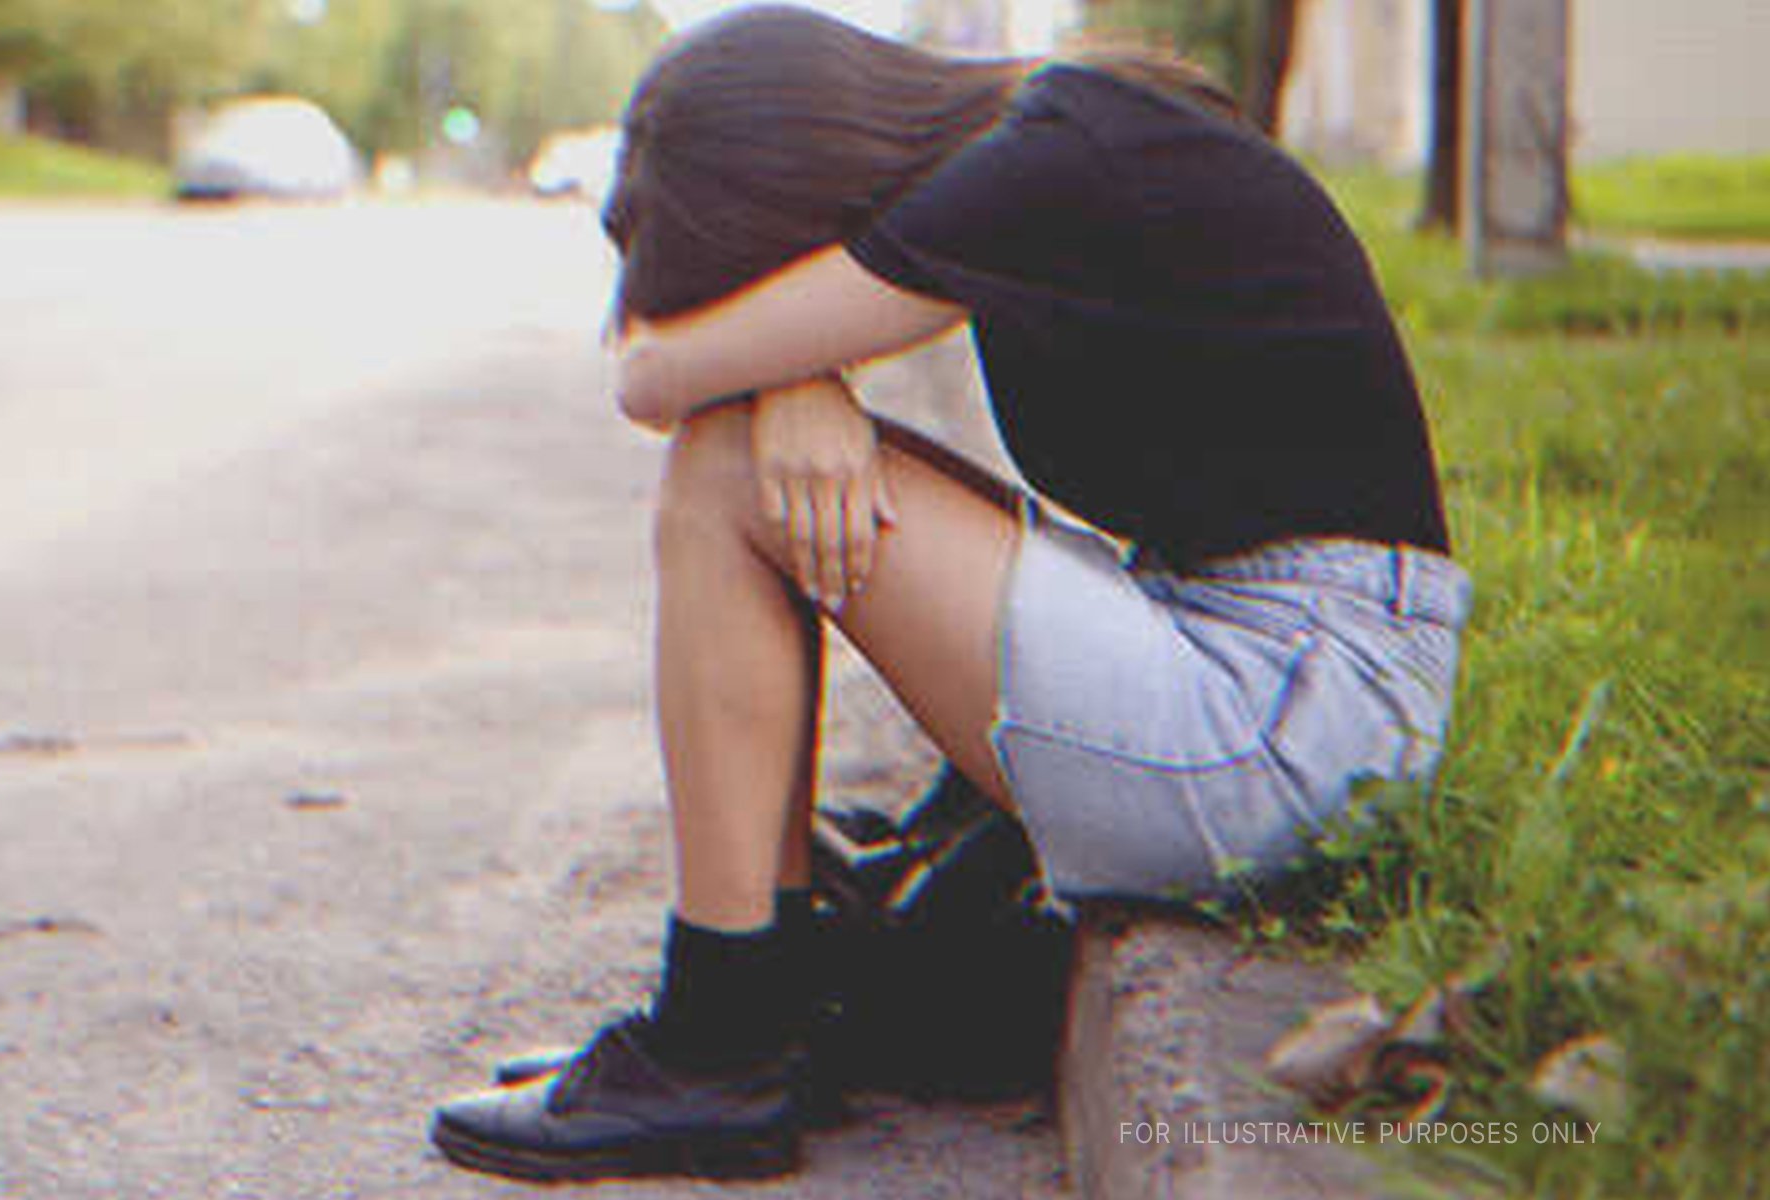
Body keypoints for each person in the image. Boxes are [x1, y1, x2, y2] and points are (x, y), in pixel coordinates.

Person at [429, 4, 1471, 1183]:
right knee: (747, 441)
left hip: (1286, 720)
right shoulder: (1055, 138)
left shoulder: (1048, 159)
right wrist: (801, 371)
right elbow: (738, 340)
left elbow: (655, 373)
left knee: (723, 464)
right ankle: (756, 1001)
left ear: (801, 200)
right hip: (1290, 684)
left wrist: (789, 368)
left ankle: (719, 1046)